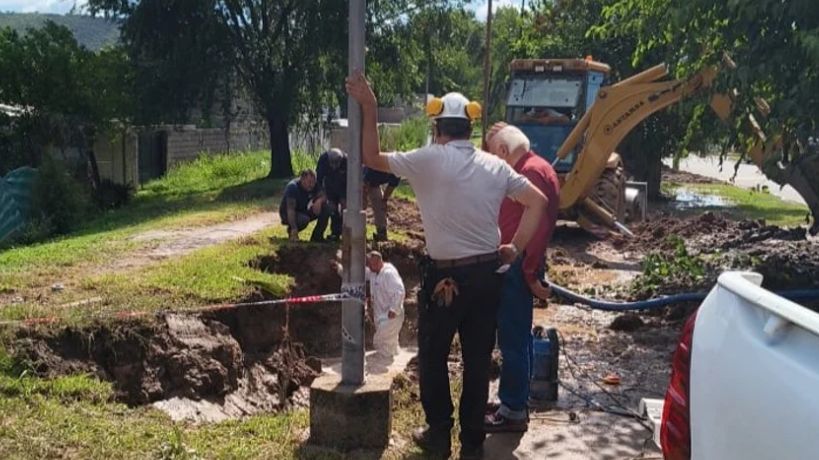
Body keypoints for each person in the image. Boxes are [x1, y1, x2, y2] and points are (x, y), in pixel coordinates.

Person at [346, 71, 548, 459]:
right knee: (476, 358)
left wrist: (370, 105)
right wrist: (514, 248)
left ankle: (439, 433)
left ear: (437, 127)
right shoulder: (496, 166)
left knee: (434, 353)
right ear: (470, 129)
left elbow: (371, 157)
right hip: (488, 275)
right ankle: (472, 441)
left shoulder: (427, 161)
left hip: (444, 277)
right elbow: (537, 202)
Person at [483, 123, 560, 432]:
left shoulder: (529, 173)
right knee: (519, 338)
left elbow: (537, 230)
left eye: (493, 155)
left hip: (517, 266)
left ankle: (513, 409)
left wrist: (528, 273)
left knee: (513, 341)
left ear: (503, 151)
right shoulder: (539, 167)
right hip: (520, 264)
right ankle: (512, 401)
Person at [365, 251, 405, 359]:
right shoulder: (373, 272)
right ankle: (395, 357)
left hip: (392, 315)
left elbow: (399, 291)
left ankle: (383, 363)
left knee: (380, 340)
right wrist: (340, 269)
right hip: (380, 314)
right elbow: (361, 274)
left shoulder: (389, 273)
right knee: (390, 343)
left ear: (377, 261)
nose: (368, 266)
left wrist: (393, 309)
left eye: (370, 263)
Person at [279, 169, 331, 242]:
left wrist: (320, 201)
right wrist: (294, 228)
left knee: (327, 208)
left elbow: (325, 195)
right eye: (309, 182)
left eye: (313, 182)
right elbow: (290, 210)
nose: (311, 185)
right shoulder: (293, 187)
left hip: (304, 210)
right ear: (302, 179)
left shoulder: (315, 186)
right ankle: (292, 231)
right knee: (304, 219)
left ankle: (317, 236)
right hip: (288, 213)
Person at [316, 148, 348, 241]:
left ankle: (345, 233)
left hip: (343, 187)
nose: (334, 167)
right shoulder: (323, 160)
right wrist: (322, 193)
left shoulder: (346, 161)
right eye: (332, 164)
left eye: (336, 164)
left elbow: (351, 180)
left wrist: (345, 197)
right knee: (333, 209)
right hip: (329, 186)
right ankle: (335, 233)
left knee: (344, 210)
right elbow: (319, 179)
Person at [363, 167, 401, 242]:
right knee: (361, 206)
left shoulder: (397, 173)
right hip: (362, 181)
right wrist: (364, 198)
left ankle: (381, 233)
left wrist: (384, 200)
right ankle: (358, 232)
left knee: (380, 207)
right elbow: (365, 183)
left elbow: (391, 186)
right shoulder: (374, 169)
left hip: (374, 184)